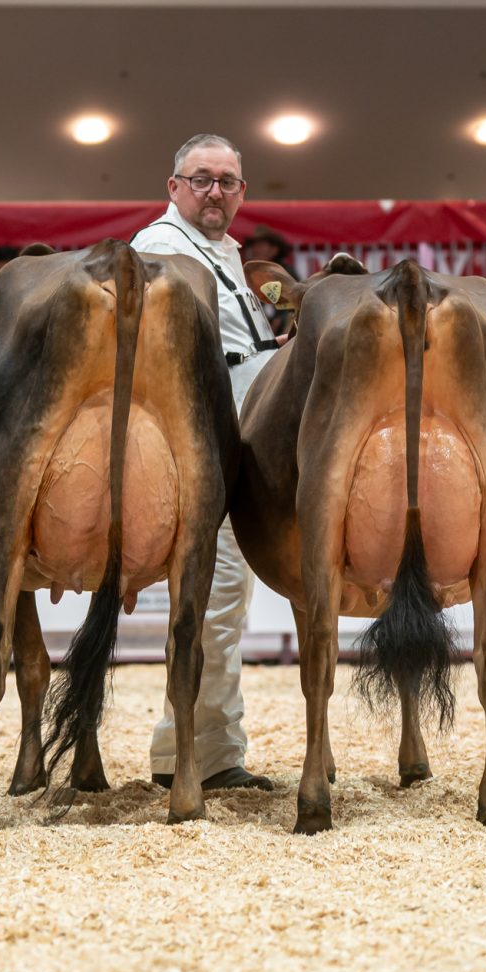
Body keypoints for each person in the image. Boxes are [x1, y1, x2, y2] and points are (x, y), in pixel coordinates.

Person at [131, 133, 279, 792]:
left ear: (242, 192)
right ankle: (197, 754)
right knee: (212, 603)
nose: (214, 191)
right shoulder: (159, 249)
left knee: (224, 605)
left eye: (227, 181)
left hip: (236, 444)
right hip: (198, 448)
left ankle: (198, 746)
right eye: (201, 179)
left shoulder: (224, 252)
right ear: (174, 187)